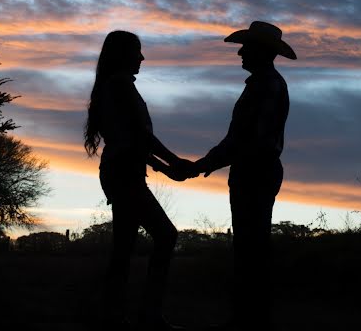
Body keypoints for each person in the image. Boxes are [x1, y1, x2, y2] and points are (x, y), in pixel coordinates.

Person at [83, 30, 194, 330]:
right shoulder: (119, 86)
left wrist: (165, 166)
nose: (142, 58)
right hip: (124, 174)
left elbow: (135, 142)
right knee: (165, 236)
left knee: (124, 247)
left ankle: (114, 315)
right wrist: (174, 162)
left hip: (122, 172)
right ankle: (148, 315)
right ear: (123, 54)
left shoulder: (113, 86)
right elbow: (142, 138)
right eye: (138, 51)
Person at [193, 21, 297, 330]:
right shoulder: (265, 84)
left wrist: (204, 163)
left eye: (246, 46)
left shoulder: (265, 85)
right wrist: (209, 162)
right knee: (252, 247)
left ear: (260, 51)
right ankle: (250, 316)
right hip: (256, 170)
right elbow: (243, 139)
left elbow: (246, 140)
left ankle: (249, 318)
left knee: (250, 249)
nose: (240, 52)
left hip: (255, 172)